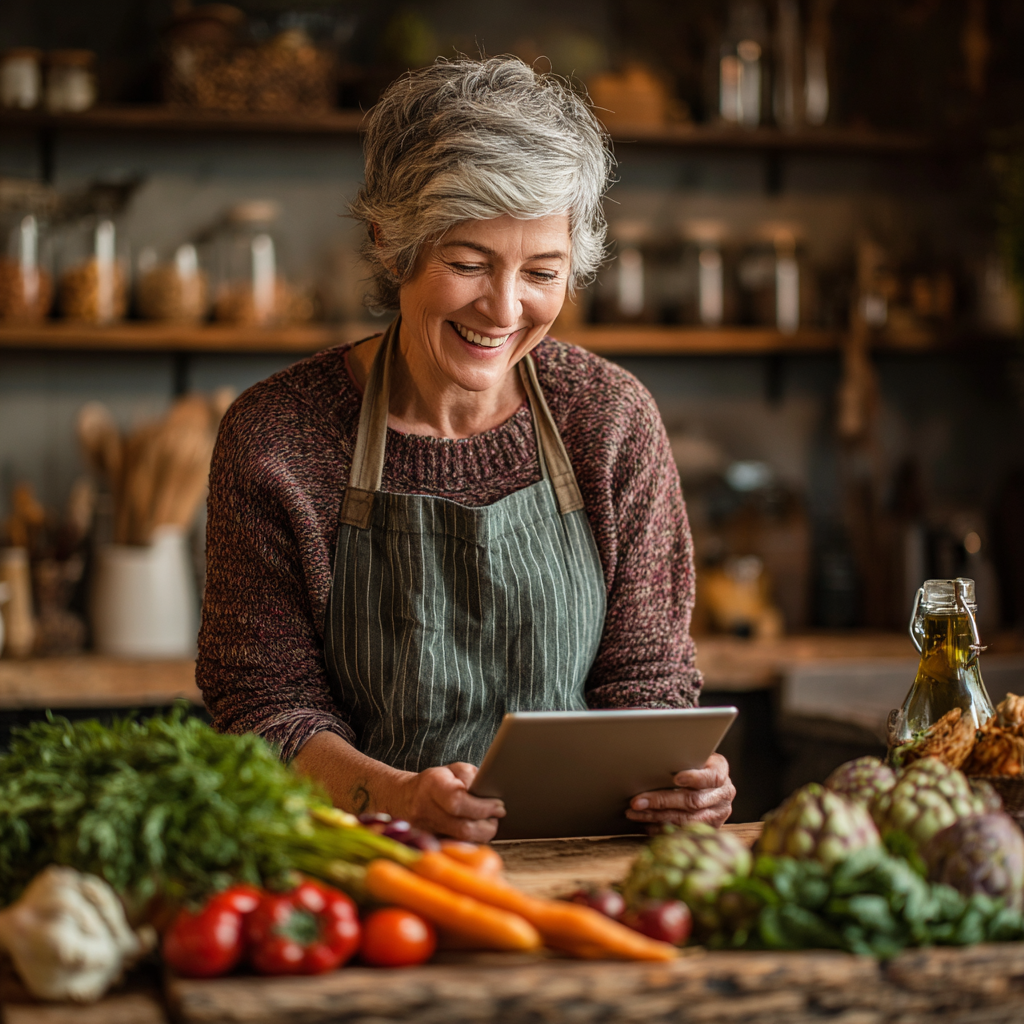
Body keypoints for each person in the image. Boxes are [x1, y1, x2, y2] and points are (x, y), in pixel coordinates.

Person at [197, 56, 735, 842]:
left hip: (581, 866)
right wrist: (396, 798)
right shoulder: (278, 436)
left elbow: (646, 681)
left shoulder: (609, 419)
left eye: (541, 272)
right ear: (392, 244)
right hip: (368, 867)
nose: (504, 309)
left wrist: (680, 784)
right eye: (468, 264)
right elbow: (263, 709)